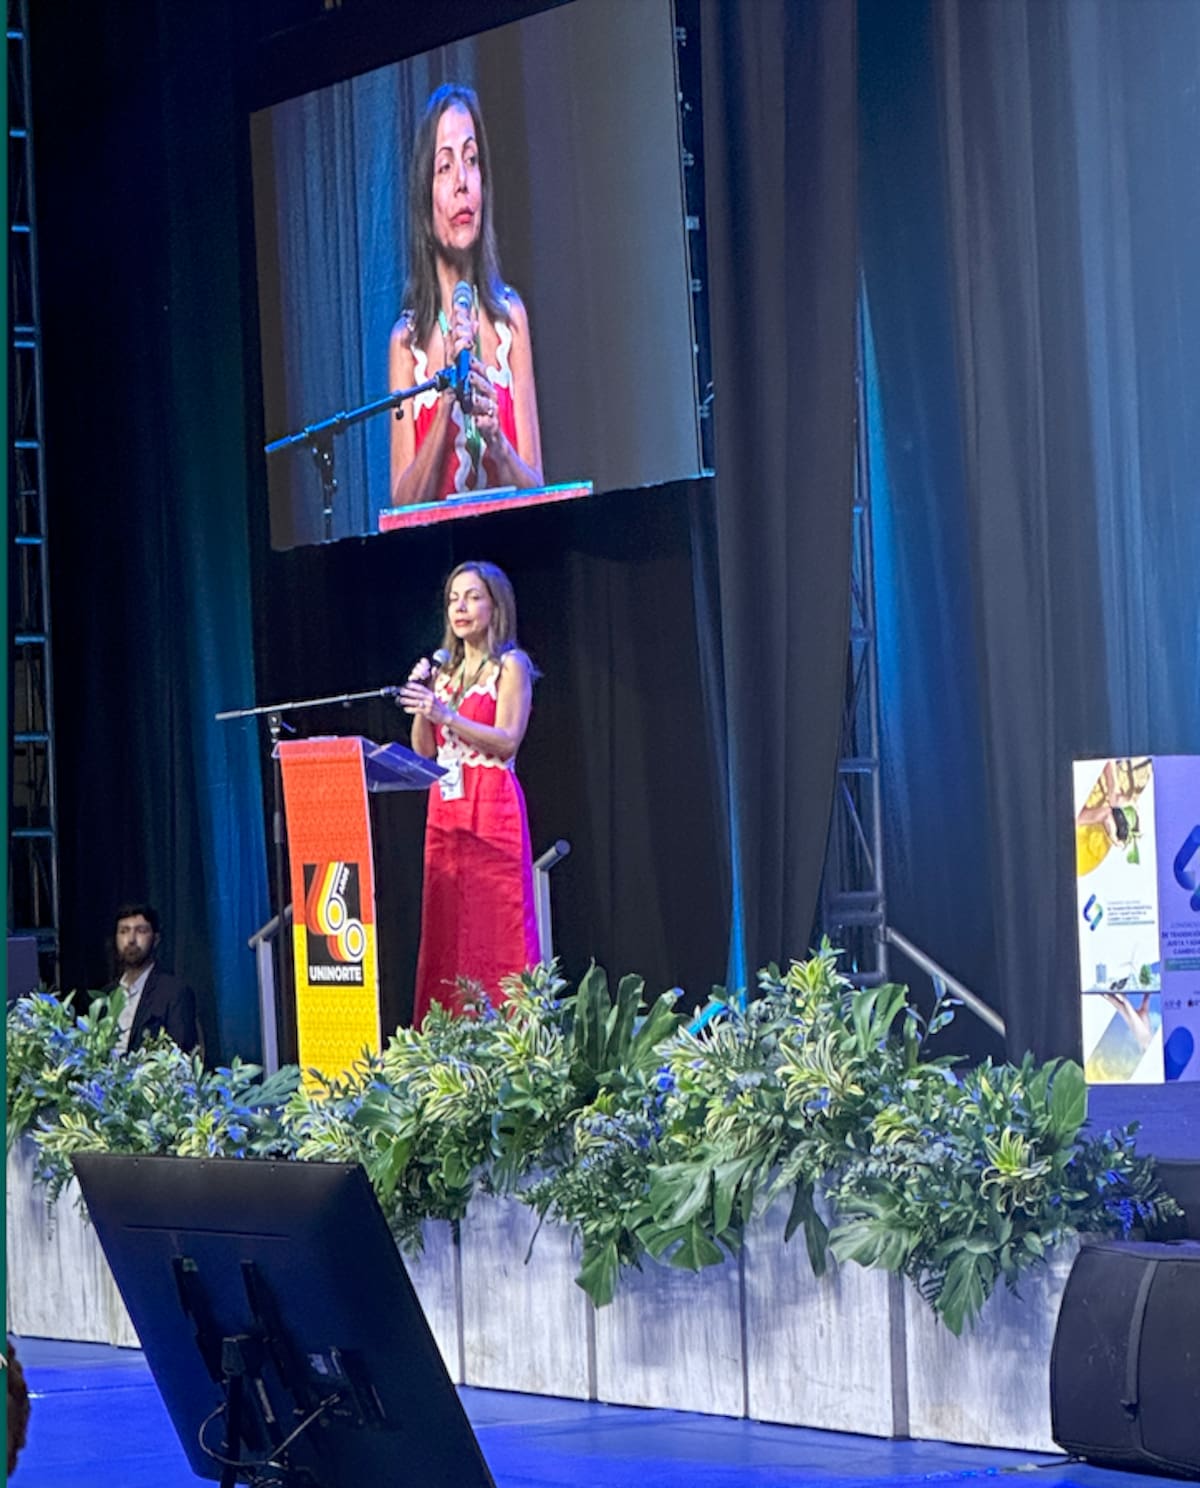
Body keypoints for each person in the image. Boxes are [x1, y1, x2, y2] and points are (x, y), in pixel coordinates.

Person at [398, 561, 541, 1021]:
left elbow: (507, 739)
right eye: (454, 598)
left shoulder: (511, 665)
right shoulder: (446, 672)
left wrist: (448, 716)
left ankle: (509, 1033)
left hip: (492, 803)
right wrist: (423, 703)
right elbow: (424, 752)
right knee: (446, 927)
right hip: (446, 808)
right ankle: (445, 1038)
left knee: (496, 925)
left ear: (495, 605)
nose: (460, 607)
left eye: (472, 596)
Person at [389, 83, 544, 505]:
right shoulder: (407, 343)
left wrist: (498, 442)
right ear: (425, 197)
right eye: (445, 167)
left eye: (472, 161)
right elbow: (401, 508)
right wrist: (444, 409)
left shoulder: (511, 318)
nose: (462, 182)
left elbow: (540, 491)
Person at [103, 903, 199, 1056]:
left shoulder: (174, 993)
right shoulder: (106, 996)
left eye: (140, 931)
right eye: (124, 931)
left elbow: (180, 1054)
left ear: (156, 939)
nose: (131, 939)